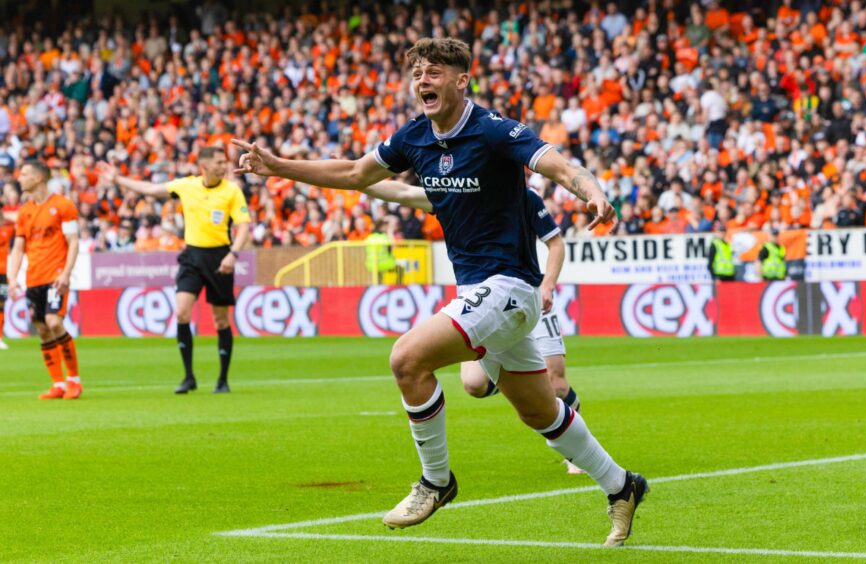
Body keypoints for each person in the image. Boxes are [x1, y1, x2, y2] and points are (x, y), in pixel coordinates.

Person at [232, 38, 646, 547]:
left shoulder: (494, 130)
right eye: (417, 74)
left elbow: (558, 165)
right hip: (482, 292)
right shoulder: (413, 138)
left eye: (433, 73)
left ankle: (436, 481)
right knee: (539, 411)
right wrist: (279, 166)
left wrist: (594, 191)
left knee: (407, 358)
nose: (423, 81)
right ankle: (622, 486)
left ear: (460, 80)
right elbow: (355, 174)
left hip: (512, 287)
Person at [361, 180, 585, 474]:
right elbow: (406, 193)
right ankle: (521, 386)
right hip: (484, 303)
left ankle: (575, 452)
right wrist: (361, 180)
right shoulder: (464, 194)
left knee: (555, 382)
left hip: (528, 296)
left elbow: (555, 243)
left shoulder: (525, 197)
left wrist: (548, 285)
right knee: (474, 385)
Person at [98, 146, 250, 394]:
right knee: (181, 312)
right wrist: (117, 179)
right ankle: (189, 376)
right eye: (219, 162)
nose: (224, 166)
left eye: (224, 162)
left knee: (220, 319)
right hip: (192, 256)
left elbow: (243, 226)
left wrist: (233, 254)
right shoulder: (187, 185)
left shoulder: (232, 191)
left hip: (220, 256)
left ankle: (222, 379)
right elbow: (150, 189)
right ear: (205, 164)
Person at [6, 160, 82, 398]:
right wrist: (12, 277)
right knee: (41, 328)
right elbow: (18, 249)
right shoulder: (24, 212)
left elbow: (73, 242)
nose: (20, 178)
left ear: (39, 178)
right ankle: (58, 384)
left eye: (25, 174)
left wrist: (66, 273)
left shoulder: (62, 205)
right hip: (33, 278)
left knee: (54, 322)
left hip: (55, 276)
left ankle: (74, 380)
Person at [0, 212, 15, 350]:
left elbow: (21, 222)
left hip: (2, 274)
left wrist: (6, 216)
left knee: (1, 305)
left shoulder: (6, 230)